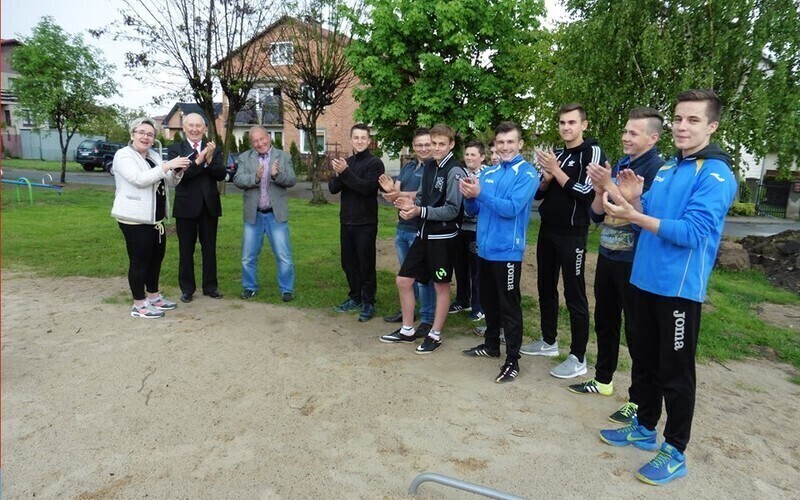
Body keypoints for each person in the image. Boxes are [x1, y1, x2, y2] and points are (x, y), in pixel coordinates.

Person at [597, 90, 736, 485]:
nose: (682, 126)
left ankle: (675, 450)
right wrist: (632, 200)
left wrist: (635, 216)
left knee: (675, 373)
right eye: (678, 118)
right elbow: (643, 211)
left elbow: (692, 233)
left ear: (712, 126)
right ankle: (644, 426)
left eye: (693, 120)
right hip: (642, 280)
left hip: (678, 290)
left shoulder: (715, 175)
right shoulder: (667, 170)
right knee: (643, 361)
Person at [568, 107, 665, 426]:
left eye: (633, 133)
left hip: (635, 264)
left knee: (637, 333)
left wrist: (608, 185)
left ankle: (638, 401)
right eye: (624, 131)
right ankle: (603, 379)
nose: (625, 137)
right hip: (609, 257)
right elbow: (597, 215)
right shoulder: (621, 165)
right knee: (605, 321)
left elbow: (639, 219)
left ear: (652, 138)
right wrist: (599, 189)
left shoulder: (657, 171)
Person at [521, 103, 606, 380]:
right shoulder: (555, 154)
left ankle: (578, 356)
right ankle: (548, 341)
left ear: (584, 125)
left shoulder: (591, 151)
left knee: (574, 293)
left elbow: (585, 191)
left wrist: (556, 171)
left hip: (573, 234)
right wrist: (545, 179)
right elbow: (539, 195)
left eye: (571, 122)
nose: (566, 128)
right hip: (548, 229)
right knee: (545, 286)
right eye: (562, 123)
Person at [460, 122, 538, 382]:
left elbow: (511, 208)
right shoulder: (489, 173)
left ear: (520, 144)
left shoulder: (527, 174)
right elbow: (474, 211)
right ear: (495, 145)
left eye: (510, 142)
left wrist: (480, 194)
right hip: (485, 249)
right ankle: (491, 344)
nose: (504, 147)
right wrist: (470, 196)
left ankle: (513, 360)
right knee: (489, 302)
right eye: (500, 142)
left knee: (509, 307)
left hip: (507, 252)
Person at [379, 123, 466, 354]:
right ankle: (407, 330)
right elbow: (423, 199)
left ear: (451, 145)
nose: (436, 148)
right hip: (424, 234)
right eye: (434, 143)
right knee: (404, 281)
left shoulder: (455, 171)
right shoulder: (429, 166)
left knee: (441, 285)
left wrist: (420, 211)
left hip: (444, 237)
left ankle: (435, 334)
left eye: (441, 144)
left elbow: (453, 210)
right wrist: (411, 205)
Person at [111, 118, 189, 318]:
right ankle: (139, 304)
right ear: (132, 134)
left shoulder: (154, 156)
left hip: (156, 220)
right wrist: (167, 166)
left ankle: (153, 296)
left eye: (150, 134)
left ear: (154, 139)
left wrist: (177, 170)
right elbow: (139, 180)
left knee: (156, 259)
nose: (145, 137)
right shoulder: (123, 156)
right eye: (141, 132)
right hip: (134, 219)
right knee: (140, 261)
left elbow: (168, 180)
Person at [378, 128, 435, 338]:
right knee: (405, 274)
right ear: (413, 146)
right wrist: (391, 190)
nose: (423, 148)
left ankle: (427, 320)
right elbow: (397, 192)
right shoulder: (409, 166)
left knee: (423, 278)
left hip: (420, 229)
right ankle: (408, 312)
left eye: (427, 144)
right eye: (419, 144)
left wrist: (396, 193)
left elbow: (420, 194)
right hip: (402, 227)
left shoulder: (434, 168)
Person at [167, 113, 226, 303]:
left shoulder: (213, 149)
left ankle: (210, 287)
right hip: (186, 207)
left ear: (205, 128)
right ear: (184, 128)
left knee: (209, 249)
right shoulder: (176, 149)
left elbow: (220, 174)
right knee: (186, 250)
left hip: (209, 207)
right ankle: (187, 289)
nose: (194, 129)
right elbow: (182, 176)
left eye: (198, 126)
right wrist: (200, 160)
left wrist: (209, 160)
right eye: (190, 126)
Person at [233, 126, 297, 301]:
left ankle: (286, 289)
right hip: (253, 216)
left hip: (276, 215)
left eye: (262, 139)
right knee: (248, 256)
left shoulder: (283, 156)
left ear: (268, 137)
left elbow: (292, 180)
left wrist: (276, 175)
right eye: (255, 141)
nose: (260, 143)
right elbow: (237, 179)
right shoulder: (245, 158)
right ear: (252, 143)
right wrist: (255, 177)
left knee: (283, 256)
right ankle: (249, 287)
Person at [329, 124, 385, 322]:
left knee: (366, 263)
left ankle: (368, 301)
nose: (360, 141)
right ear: (351, 140)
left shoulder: (375, 163)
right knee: (348, 262)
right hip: (347, 220)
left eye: (363, 138)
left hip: (366, 222)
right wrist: (338, 173)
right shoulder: (347, 162)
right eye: (356, 137)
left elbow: (366, 188)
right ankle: (355, 296)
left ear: (369, 141)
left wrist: (345, 173)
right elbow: (333, 188)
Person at [450, 140, 487, 321]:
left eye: (473, 155)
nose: (469, 158)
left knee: (477, 269)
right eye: (467, 154)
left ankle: (479, 305)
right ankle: (462, 300)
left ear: (482, 157)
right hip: (459, 227)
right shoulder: (460, 174)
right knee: (460, 265)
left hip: (477, 229)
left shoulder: (487, 175)